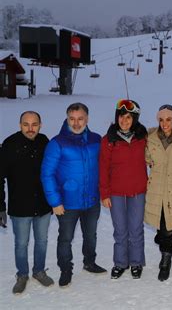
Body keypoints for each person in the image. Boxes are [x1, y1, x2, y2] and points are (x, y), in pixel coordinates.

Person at [41, 102, 106, 288]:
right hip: (67, 203)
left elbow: (105, 165)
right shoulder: (57, 143)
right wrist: (55, 201)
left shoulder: (96, 140)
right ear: (67, 118)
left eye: (80, 119)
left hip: (92, 200)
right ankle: (65, 269)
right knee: (65, 238)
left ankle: (89, 262)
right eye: (72, 119)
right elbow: (47, 174)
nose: (76, 123)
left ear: (87, 119)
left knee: (91, 235)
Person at [0, 111, 54, 294]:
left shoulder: (44, 142)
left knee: (42, 241)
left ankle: (39, 271)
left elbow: (53, 171)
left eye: (34, 124)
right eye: (26, 124)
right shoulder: (9, 145)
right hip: (20, 206)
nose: (30, 129)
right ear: (19, 125)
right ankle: (22, 274)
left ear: (40, 125)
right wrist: (1, 206)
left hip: (43, 206)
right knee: (21, 243)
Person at [99, 99, 148, 279]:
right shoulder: (108, 140)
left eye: (128, 117)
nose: (124, 121)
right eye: (121, 117)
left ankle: (136, 262)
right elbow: (103, 168)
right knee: (120, 230)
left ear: (134, 119)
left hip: (137, 190)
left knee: (136, 228)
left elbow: (165, 137)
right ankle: (120, 263)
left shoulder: (143, 137)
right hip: (116, 192)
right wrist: (104, 193)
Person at [145, 104, 172, 281]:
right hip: (155, 190)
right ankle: (163, 241)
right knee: (161, 224)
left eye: (168, 119)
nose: (165, 123)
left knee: (167, 227)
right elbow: (146, 158)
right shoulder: (151, 138)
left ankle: (166, 259)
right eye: (161, 120)